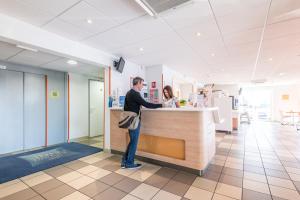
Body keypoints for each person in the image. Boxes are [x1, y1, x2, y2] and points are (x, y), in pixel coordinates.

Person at [121, 77, 162, 169]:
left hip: (130, 121)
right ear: (138, 83)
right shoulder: (135, 94)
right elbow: (147, 104)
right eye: (142, 84)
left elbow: (127, 107)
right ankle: (129, 163)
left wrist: (137, 107)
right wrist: (161, 105)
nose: (142, 86)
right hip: (134, 121)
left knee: (132, 141)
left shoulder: (129, 92)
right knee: (134, 142)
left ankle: (124, 161)